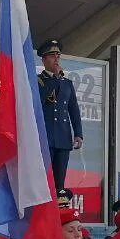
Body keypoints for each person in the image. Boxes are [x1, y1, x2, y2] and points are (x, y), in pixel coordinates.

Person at [36, 39, 83, 193]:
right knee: (44, 180)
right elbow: (41, 100)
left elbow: (73, 109)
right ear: (44, 59)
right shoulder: (38, 81)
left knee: (59, 183)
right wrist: (55, 78)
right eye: (52, 55)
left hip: (63, 137)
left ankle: (59, 211)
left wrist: (78, 133)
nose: (56, 59)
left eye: (58, 55)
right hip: (45, 138)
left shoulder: (67, 83)